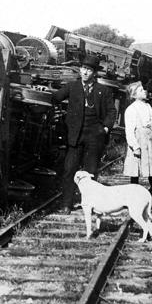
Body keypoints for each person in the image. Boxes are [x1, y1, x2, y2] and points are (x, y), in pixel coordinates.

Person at [53, 54, 117, 214]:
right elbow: (55, 98)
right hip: (75, 136)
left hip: (95, 137)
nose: (85, 72)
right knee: (69, 170)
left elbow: (111, 111)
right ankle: (67, 204)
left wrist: (106, 128)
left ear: (94, 73)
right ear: (80, 70)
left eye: (89, 70)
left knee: (91, 171)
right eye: (83, 69)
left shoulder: (103, 90)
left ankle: (91, 205)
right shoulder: (72, 87)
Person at [123, 81, 152, 194]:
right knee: (135, 166)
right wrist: (134, 146)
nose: (144, 91)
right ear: (134, 95)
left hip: (149, 140)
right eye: (141, 90)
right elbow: (129, 131)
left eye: (143, 89)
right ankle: (134, 192)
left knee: (151, 164)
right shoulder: (131, 110)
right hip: (138, 140)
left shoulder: (148, 107)